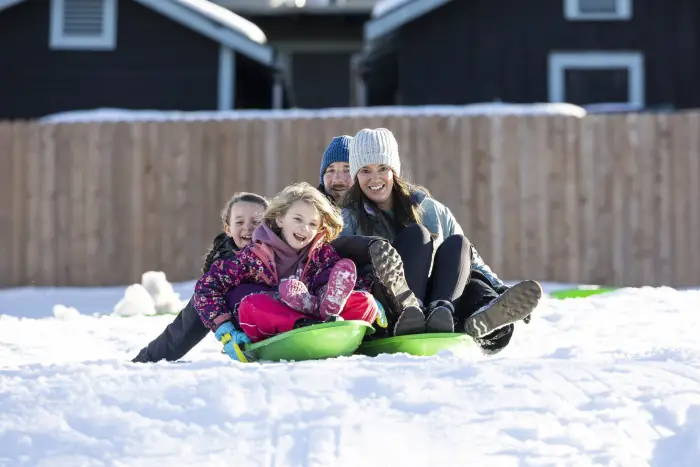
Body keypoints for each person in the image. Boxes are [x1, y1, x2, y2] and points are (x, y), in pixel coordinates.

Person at [340, 128, 542, 344]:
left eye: (382, 168)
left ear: (394, 171)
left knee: (458, 245)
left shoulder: (431, 210)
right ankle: (410, 311)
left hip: (438, 305)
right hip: (389, 307)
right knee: (417, 236)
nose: (375, 178)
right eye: (365, 171)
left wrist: (498, 287)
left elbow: (468, 260)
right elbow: (335, 264)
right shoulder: (349, 218)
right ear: (355, 176)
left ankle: (482, 315)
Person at [193, 182, 379, 358]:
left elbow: (344, 283)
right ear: (280, 218)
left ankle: (318, 307)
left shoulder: (322, 254)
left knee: (364, 301)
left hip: (324, 314)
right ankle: (305, 321)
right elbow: (206, 287)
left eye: (313, 224)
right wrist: (225, 331)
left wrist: (367, 297)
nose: (304, 228)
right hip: (277, 322)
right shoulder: (254, 256)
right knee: (251, 306)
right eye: (298, 219)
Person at [131, 192, 269, 363]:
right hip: (241, 324)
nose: (248, 227)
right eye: (239, 222)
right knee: (199, 305)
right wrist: (227, 333)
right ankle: (147, 359)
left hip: (279, 316)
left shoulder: (284, 252)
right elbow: (185, 326)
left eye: (256, 222)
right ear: (228, 229)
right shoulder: (225, 265)